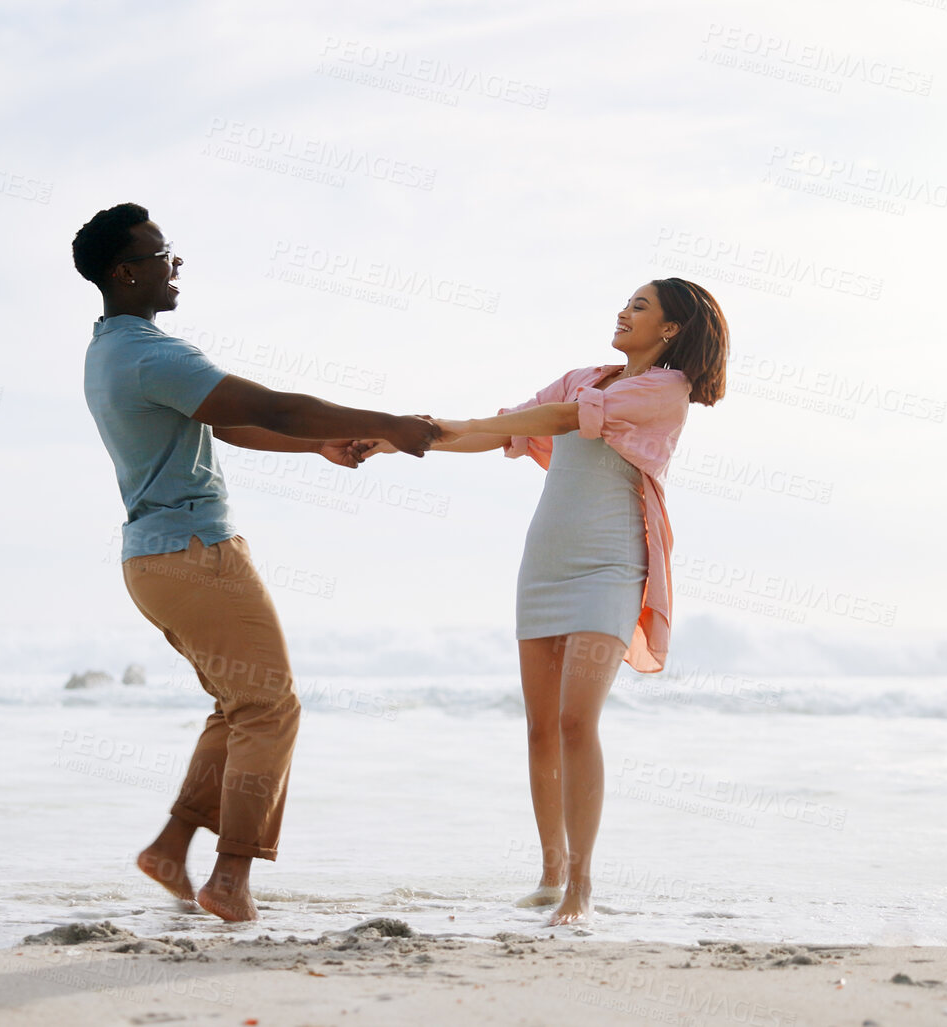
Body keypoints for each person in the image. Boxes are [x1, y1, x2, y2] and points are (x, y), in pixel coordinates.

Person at [72, 202, 443, 922]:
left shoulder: (111, 350)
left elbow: (230, 421)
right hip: (195, 553)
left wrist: (320, 445)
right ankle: (230, 878)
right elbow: (272, 406)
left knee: (238, 706)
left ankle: (170, 846)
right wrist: (380, 422)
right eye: (160, 253)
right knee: (270, 706)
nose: (174, 263)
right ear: (123, 272)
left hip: (152, 560)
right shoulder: (153, 352)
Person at [388, 278, 728, 925]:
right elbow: (500, 428)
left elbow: (555, 420)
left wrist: (449, 428)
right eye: (625, 302)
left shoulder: (662, 390)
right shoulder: (581, 375)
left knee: (576, 721)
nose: (623, 312)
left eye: (639, 306)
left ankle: (580, 886)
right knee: (541, 725)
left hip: (609, 566)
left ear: (669, 329)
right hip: (544, 564)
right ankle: (548, 872)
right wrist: (403, 436)